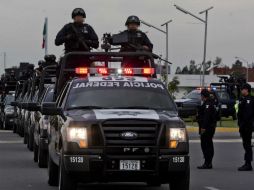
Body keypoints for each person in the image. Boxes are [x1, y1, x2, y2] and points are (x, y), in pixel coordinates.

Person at [197, 89, 217, 169]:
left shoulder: (208, 104)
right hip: (210, 127)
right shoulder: (210, 102)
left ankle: (207, 163)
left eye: (201, 95)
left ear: (203, 96)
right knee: (208, 144)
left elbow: (206, 117)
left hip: (207, 128)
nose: (200, 97)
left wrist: (203, 128)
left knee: (205, 145)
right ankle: (208, 162)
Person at [237, 83, 254, 171]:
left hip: (247, 126)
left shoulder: (249, 100)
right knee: (246, 145)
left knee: (247, 145)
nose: (241, 90)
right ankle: (247, 163)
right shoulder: (243, 99)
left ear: (246, 90)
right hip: (245, 126)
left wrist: (242, 125)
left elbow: (247, 115)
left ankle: (248, 164)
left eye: (242, 89)